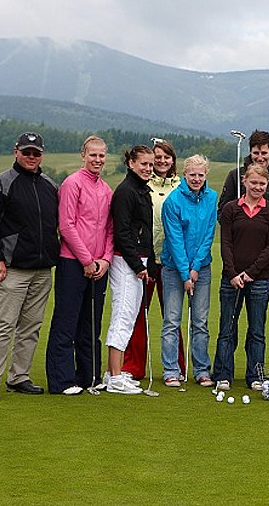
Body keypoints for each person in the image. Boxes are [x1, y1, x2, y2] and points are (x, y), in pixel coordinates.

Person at [0, 132, 59, 400]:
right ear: (16, 152)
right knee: (3, 325)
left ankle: (19, 377)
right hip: (12, 269)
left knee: (31, 326)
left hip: (43, 269)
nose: (31, 157)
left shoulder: (49, 186)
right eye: (26, 152)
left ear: (42, 155)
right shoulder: (0, 184)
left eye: (36, 153)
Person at [45, 135, 114, 395]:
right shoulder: (72, 184)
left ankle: (89, 376)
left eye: (101, 155)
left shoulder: (106, 189)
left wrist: (105, 259)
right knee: (66, 322)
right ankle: (62, 380)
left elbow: (109, 229)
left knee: (91, 324)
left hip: (98, 267)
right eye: (93, 155)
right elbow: (66, 226)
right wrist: (86, 260)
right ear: (83, 156)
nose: (97, 160)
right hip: (72, 263)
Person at [212, 164, 269, 391]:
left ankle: (255, 376)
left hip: (259, 279)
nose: (257, 187)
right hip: (231, 279)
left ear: (267, 184)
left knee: (257, 330)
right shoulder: (231, 209)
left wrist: (251, 273)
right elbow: (226, 243)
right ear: (245, 182)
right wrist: (233, 273)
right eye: (253, 182)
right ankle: (223, 374)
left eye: (262, 183)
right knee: (227, 328)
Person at [121, 139, 185, 380]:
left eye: (167, 157)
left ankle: (177, 367)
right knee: (138, 314)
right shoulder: (142, 184)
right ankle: (133, 367)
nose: (161, 161)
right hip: (145, 260)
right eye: (157, 157)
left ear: (173, 160)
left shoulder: (181, 186)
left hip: (171, 261)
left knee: (172, 316)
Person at [161, 154, 218, 388]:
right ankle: (171, 370)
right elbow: (175, 241)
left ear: (206, 175)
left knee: (200, 322)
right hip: (174, 268)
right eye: (192, 174)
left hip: (201, 267)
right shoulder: (173, 201)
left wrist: (196, 267)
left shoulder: (211, 197)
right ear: (184, 175)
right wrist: (186, 273)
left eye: (200, 175)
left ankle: (202, 370)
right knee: (172, 321)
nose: (196, 179)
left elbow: (209, 234)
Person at [104, 144, 156, 394]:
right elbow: (122, 232)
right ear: (131, 163)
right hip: (126, 262)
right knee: (123, 316)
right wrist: (137, 265)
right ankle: (115, 377)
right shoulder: (126, 191)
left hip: (139, 261)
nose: (148, 168)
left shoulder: (142, 190)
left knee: (130, 315)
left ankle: (113, 373)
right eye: (143, 163)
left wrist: (147, 264)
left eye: (151, 164)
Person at [218, 129, 269, 218]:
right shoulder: (235, 176)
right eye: (256, 153)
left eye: (264, 153)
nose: (260, 158)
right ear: (250, 152)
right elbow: (222, 211)